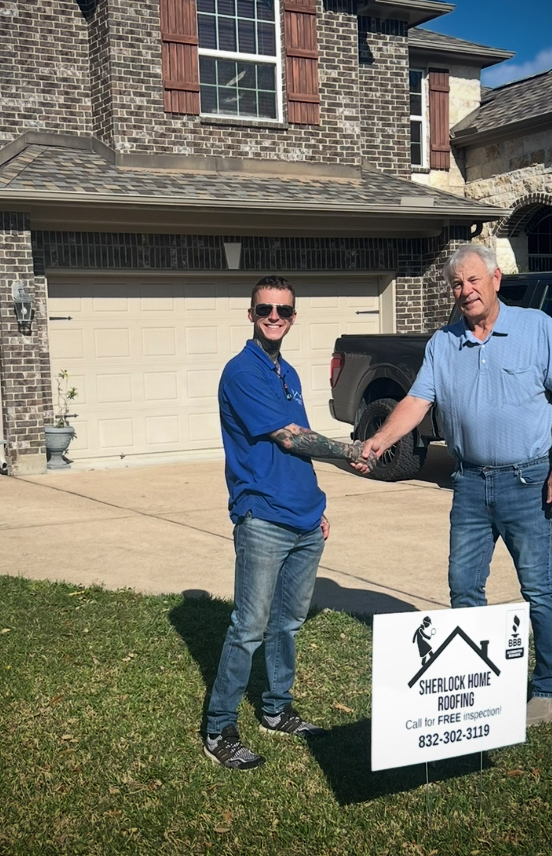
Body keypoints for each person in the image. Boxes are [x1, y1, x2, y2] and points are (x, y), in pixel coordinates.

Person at [358, 244, 552, 726]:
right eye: (457, 283)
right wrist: (378, 441)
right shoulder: (444, 343)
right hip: (470, 484)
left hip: (527, 480)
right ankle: (480, 684)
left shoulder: (536, 328)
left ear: (496, 280)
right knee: (463, 586)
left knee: (538, 586)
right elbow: (417, 402)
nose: (466, 290)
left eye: (474, 280)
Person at [204, 275, 366, 770]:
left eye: (283, 310)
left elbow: (301, 446)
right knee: (249, 626)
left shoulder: (287, 372)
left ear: (293, 317)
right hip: (263, 517)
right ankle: (219, 729)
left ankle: (276, 710)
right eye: (265, 309)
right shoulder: (242, 372)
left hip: (304, 518)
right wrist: (351, 450)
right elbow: (290, 437)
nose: (274, 317)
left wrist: (316, 506)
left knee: (288, 623)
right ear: (251, 315)